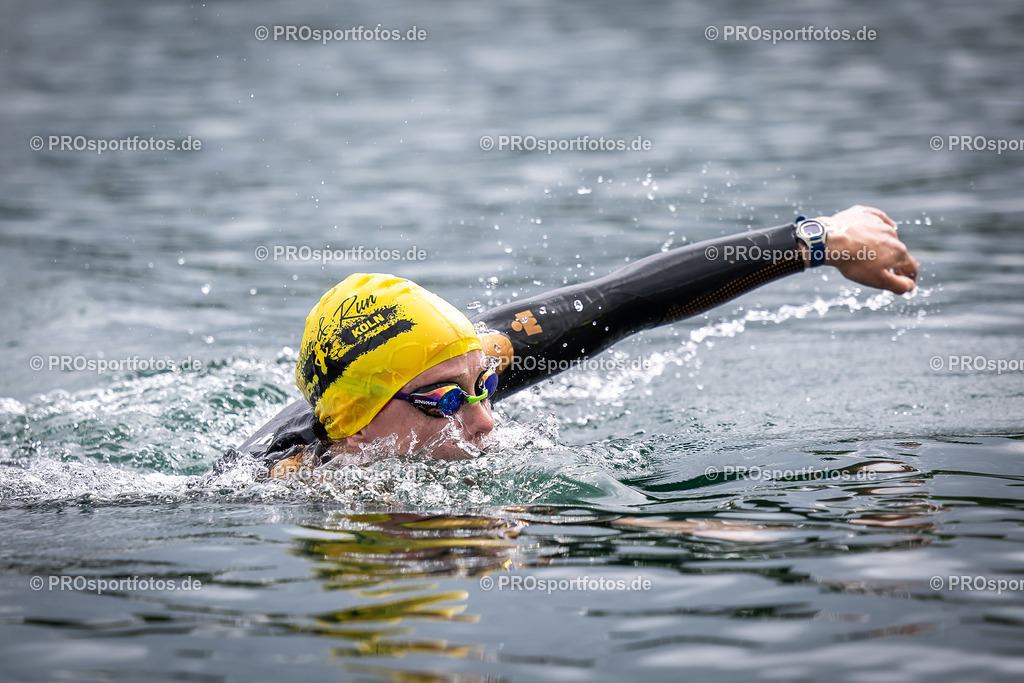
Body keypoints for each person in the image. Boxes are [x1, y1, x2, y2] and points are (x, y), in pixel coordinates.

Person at [220, 205, 918, 477]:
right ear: (355, 421)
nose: (485, 418)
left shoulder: (447, 367)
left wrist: (819, 240)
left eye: (484, 384)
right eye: (442, 401)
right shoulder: (266, 487)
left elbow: (621, 302)